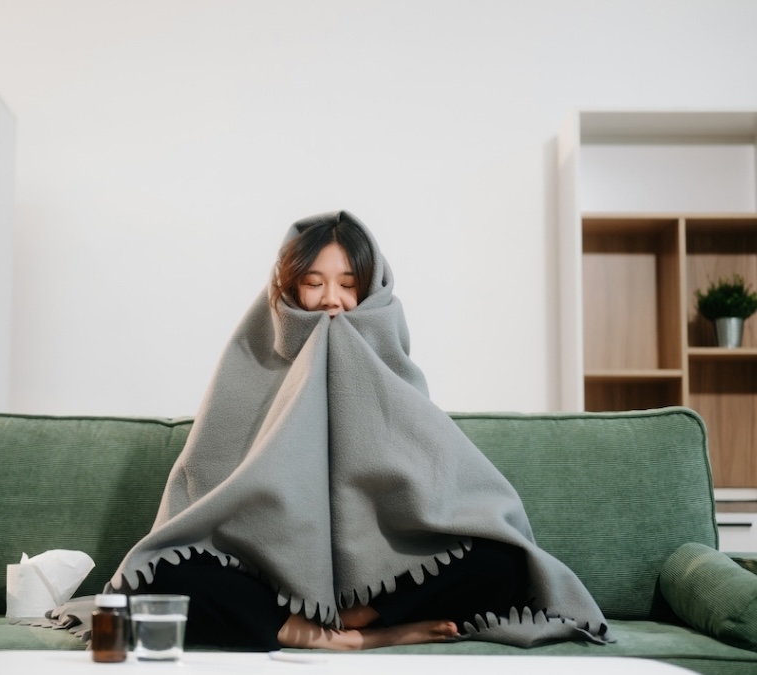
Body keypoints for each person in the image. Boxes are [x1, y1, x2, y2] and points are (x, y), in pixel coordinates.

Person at [109, 211, 611, 651]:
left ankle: (357, 623)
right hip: (262, 573)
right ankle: (304, 628)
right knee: (158, 574)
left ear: (371, 289)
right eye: (313, 282)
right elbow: (205, 483)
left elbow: (439, 481)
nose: (333, 302)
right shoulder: (251, 359)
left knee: (502, 562)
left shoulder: (390, 367)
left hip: (381, 579)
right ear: (287, 289)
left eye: (349, 284)